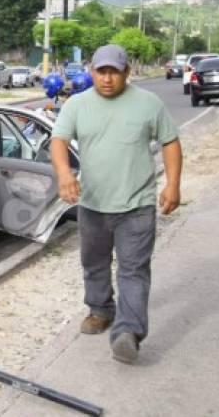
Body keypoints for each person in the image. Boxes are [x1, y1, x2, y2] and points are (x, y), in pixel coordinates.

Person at [50, 44, 182, 364]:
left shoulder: (148, 103)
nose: (107, 79)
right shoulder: (77, 105)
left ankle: (128, 331)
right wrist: (65, 174)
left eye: (114, 72)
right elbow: (58, 141)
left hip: (137, 204)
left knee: (133, 269)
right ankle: (100, 310)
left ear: (127, 72)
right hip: (93, 204)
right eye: (101, 71)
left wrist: (173, 185)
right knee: (94, 263)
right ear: (92, 72)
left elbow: (170, 142)